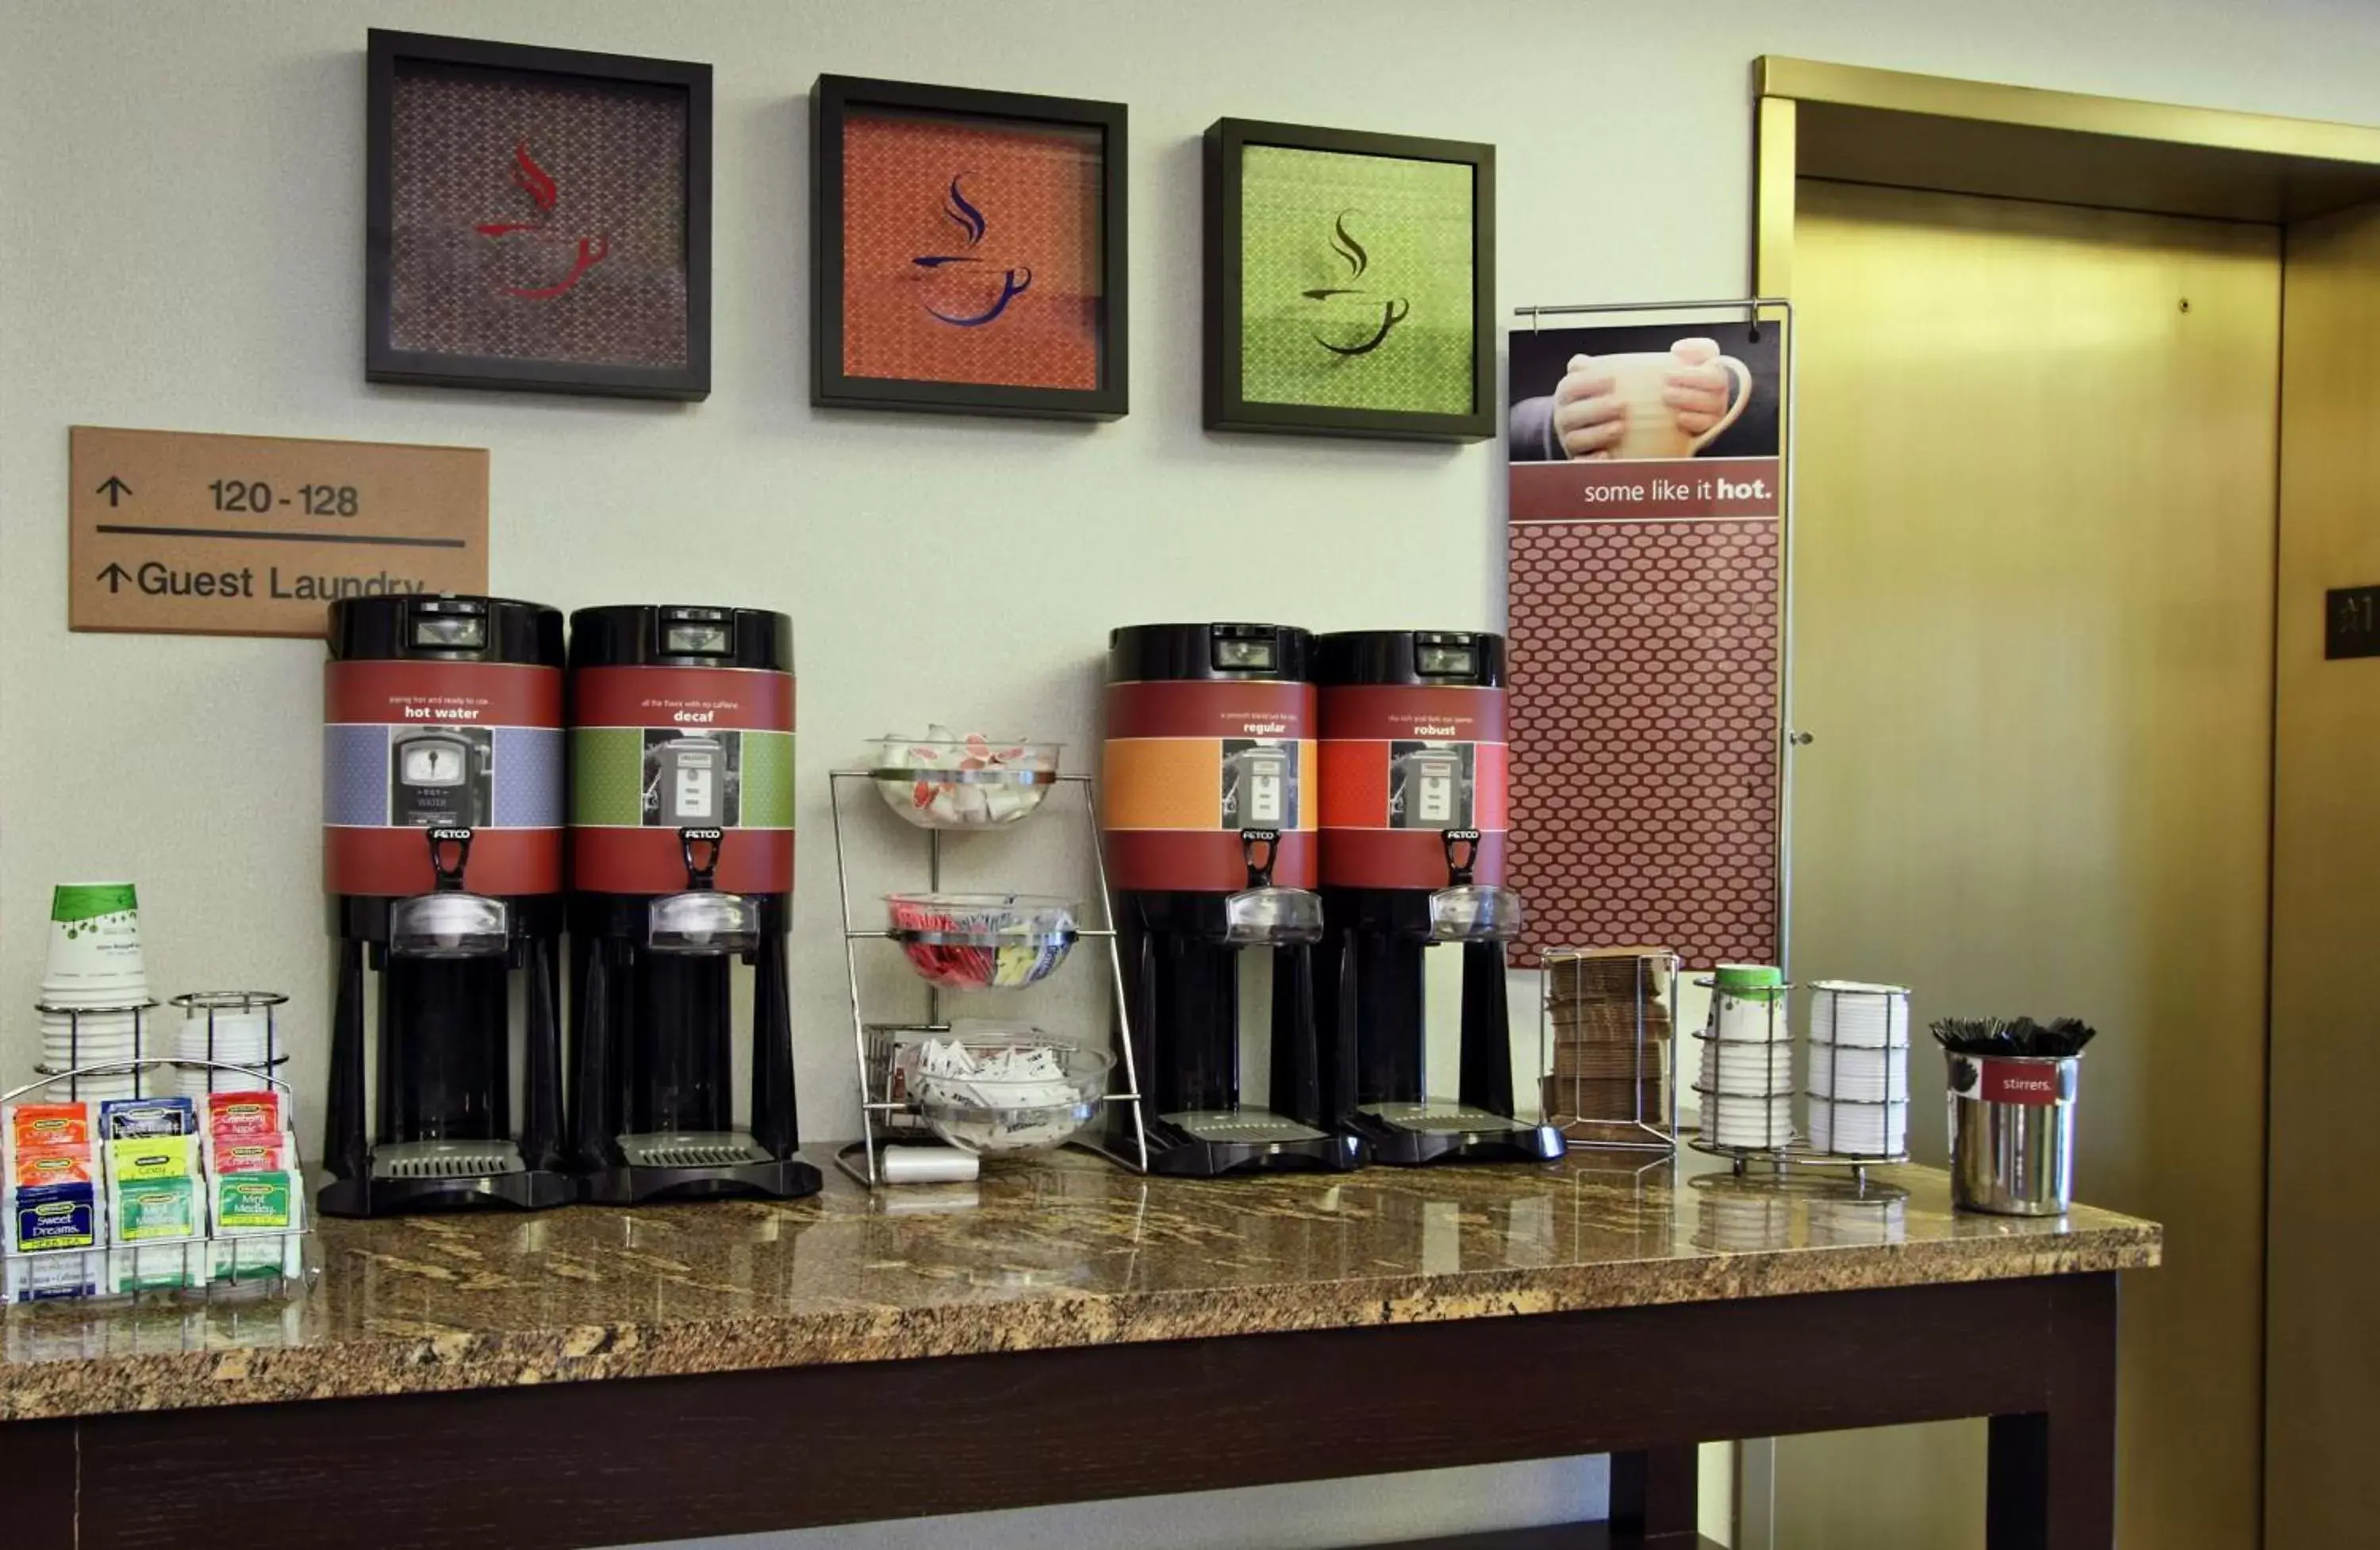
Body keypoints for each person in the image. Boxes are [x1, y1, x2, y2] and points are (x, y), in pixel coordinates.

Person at [1509, 337, 1769, 461]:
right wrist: (1552, 425)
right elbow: (1495, 422)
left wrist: (1728, 395)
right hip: (1576, 514)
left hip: (1710, 505)